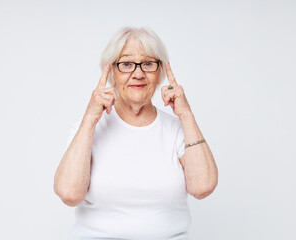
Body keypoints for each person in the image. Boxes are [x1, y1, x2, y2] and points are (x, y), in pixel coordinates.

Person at [54, 26, 218, 240]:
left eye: (148, 64)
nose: (138, 73)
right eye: (127, 64)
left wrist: (186, 114)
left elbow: (203, 188)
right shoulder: (87, 129)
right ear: (111, 71)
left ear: (159, 72)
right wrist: (90, 118)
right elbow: (69, 194)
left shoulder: (178, 129)